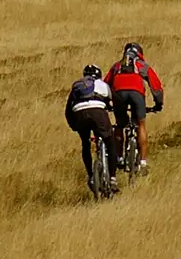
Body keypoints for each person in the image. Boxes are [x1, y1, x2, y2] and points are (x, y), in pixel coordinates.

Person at [105, 41, 164, 173]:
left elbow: (105, 84)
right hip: (137, 94)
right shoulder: (141, 65)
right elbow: (156, 86)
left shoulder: (117, 66)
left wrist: (106, 103)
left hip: (118, 94)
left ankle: (119, 157)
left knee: (120, 125)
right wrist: (158, 104)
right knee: (141, 124)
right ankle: (142, 161)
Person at [65, 63, 120, 193]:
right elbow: (118, 102)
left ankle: (91, 176)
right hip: (98, 113)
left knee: (85, 143)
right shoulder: (102, 85)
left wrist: (73, 125)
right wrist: (121, 120)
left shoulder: (77, 85)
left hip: (79, 114)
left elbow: (68, 110)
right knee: (110, 142)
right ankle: (112, 178)